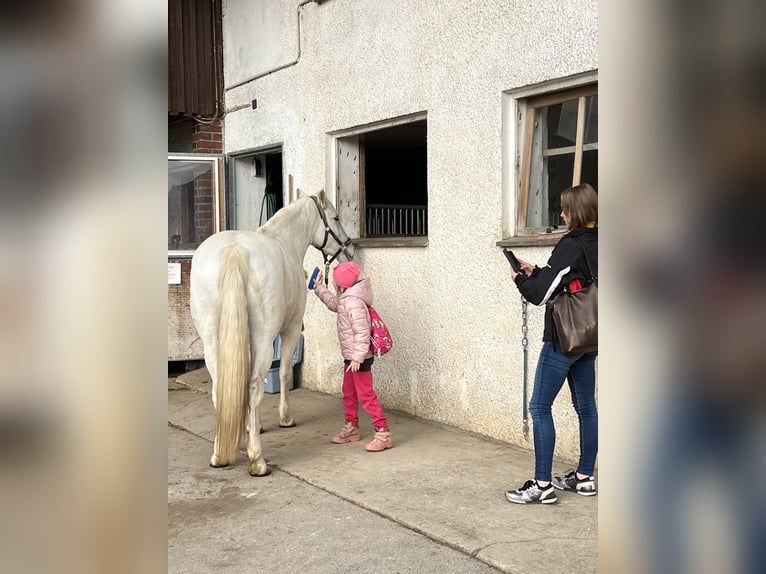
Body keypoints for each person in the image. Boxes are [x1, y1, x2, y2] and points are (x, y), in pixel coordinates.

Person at [504, 183, 598, 504]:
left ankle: (542, 485)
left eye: (565, 209)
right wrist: (540, 271)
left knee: (539, 407)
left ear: (576, 213)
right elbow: (576, 279)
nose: (561, 214)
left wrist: (521, 279)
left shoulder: (570, 245)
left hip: (564, 338)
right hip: (591, 335)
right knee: (586, 407)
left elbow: (540, 294)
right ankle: (585, 477)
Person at [311, 261, 393, 452]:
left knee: (366, 395)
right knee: (348, 392)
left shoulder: (354, 302)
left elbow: (362, 332)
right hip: (351, 357)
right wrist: (319, 288)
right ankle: (352, 427)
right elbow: (334, 304)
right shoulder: (346, 299)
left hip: (360, 358)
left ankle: (383, 433)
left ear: (340, 284)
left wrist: (358, 357)